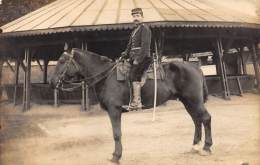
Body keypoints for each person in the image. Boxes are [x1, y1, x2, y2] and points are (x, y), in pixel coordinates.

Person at [121, 8, 152, 111]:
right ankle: (128, 100)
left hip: (143, 57)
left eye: (138, 16)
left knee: (133, 75)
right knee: (123, 71)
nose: (136, 18)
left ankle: (137, 102)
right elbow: (129, 46)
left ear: (142, 17)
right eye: (134, 16)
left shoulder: (145, 29)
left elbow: (145, 46)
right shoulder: (134, 31)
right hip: (133, 57)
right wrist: (124, 55)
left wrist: (138, 60)